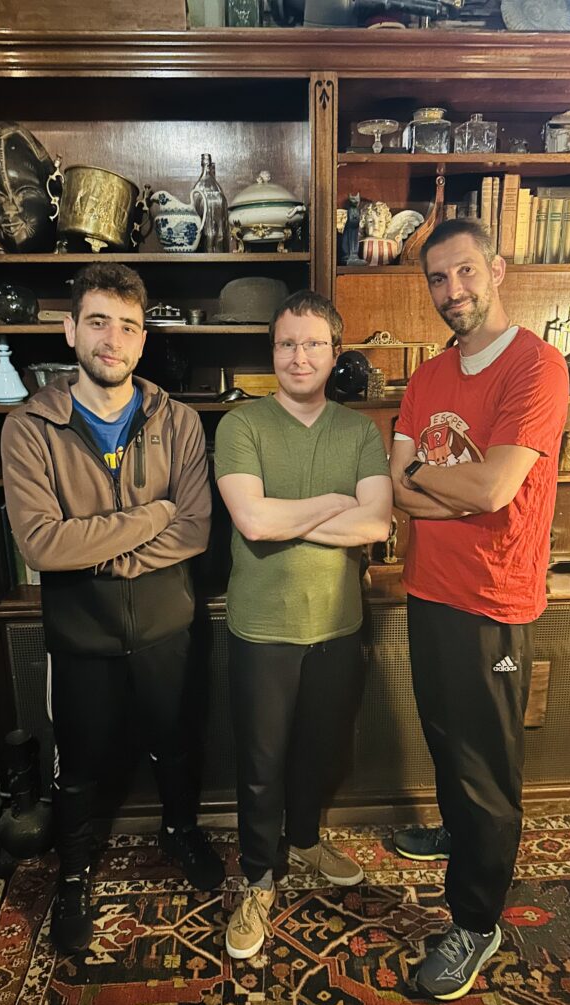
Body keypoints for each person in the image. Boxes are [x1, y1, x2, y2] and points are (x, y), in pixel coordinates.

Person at [1, 263, 224, 955]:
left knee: (176, 742)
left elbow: (195, 529)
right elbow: (42, 543)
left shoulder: (178, 420)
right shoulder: (29, 426)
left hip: (167, 626)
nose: (113, 339)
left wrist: (96, 550)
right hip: (80, 635)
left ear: (143, 340)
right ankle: (73, 874)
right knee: (79, 763)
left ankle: (180, 832)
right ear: (70, 330)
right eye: (98, 322)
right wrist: (150, 516)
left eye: (128, 326)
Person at [389, 219, 568, 1000]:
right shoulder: (428, 375)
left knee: (487, 768)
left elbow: (496, 489)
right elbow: (398, 488)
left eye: (464, 271)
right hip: (428, 587)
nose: (452, 290)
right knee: (444, 735)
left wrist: (429, 479)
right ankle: (460, 834)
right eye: (438, 278)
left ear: (497, 268)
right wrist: (444, 488)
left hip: (494, 598)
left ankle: (475, 920)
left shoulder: (537, 365)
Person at [214, 289, 392, 960]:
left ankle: (308, 842)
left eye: (313, 343)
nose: (299, 356)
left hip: (338, 626)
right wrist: (334, 503)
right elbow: (253, 522)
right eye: (287, 343)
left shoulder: (359, 432)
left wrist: (292, 516)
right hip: (263, 629)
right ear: (273, 352)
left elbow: (377, 524)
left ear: (335, 352)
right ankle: (259, 878)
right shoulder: (242, 426)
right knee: (261, 764)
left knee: (320, 750)